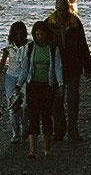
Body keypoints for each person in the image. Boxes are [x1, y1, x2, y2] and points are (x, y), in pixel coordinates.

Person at [47, 0, 91, 141]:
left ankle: (73, 130)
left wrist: (87, 65)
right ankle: (59, 130)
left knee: (73, 99)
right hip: (55, 67)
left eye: (64, 9)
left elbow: (83, 44)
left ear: (69, 8)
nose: (61, 13)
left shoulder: (75, 23)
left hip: (73, 66)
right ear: (56, 9)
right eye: (59, 10)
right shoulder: (49, 23)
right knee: (56, 101)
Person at [22, 20, 62, 159]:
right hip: (33, 85)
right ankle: (32, 150)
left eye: (42, 34)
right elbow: (25, 68)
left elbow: (57, 68)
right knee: (33, 116)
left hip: (48, 85)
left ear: (46, 34)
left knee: (46, 116)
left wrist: (61, 84)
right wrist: (19, 85)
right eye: (37, 34)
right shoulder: (30, 48)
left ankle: (46, 148)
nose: (40, 37)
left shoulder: (53, 49)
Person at [0, 20, 31, 144]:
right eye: (17, 34)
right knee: (12, 105)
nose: (19, 36)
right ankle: (16, 133)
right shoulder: (9, 46)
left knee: (25, 105)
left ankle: (24, 128)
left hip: (25, 76)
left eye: (21, 34)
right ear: (13, 34)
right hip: (11, 76)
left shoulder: (30, 45)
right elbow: (3, 60)